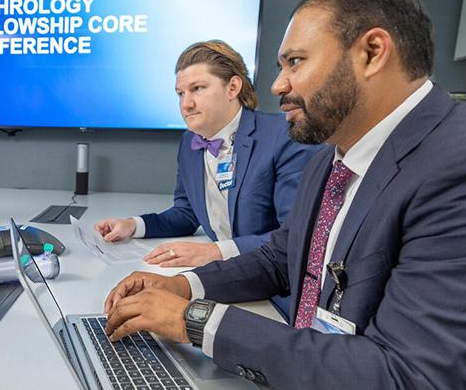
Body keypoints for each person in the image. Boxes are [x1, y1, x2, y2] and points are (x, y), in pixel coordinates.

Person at [102, 0, 466, 390]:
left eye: (295, 61)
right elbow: (281, 257)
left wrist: (196, 320)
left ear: (372, 52)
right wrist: (185, 286)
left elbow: (409, 385)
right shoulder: (335, 158)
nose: (278, 84)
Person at [95, 41, 318, 268]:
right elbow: (186, 213)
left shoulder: (285, 136)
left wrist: (216, 252)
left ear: (233, 87)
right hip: (225, 270)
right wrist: (133, 225)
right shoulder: (189, 141)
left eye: (198, 89)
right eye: (180, 93)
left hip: (272, 275)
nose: (186, 104)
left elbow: (295, 236)